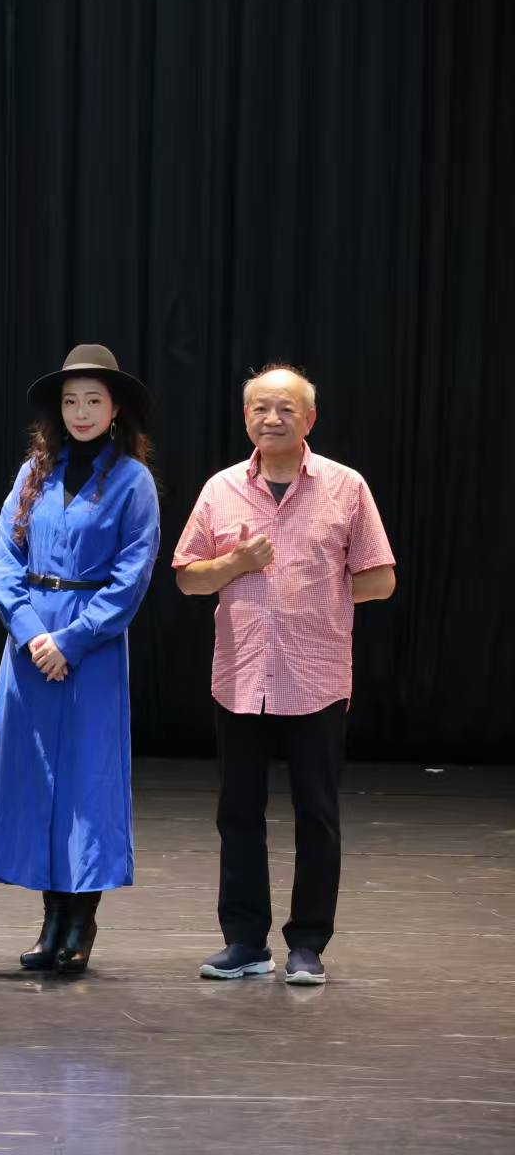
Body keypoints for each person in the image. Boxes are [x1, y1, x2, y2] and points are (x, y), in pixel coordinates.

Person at [173, 365, 395, 986]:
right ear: (246, 417)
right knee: (237, 813)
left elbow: (381, 578)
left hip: (316, 676)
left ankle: (308, 944)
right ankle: (245, 942)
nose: (271, 418)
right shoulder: (221, 489)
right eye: (260, 408)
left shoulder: (346, 487)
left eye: (286, 408)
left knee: (316, 814)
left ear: (309, 419)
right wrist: (236, 562)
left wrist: (323, 592)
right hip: (241, 674)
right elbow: (188, 578)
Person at [0, 344, 161, 974]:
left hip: (90, 649)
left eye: (93, 401)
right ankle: (50, 918)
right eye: (71, 401)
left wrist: (71, 641)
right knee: (38, 778)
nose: (80, 412)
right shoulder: (34, 473)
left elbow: (132, 576)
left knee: (86, 781)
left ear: (115, 408)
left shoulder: (132, 481)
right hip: (30, 645)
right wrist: (31, 635)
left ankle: (81, 920)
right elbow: (5, 561)